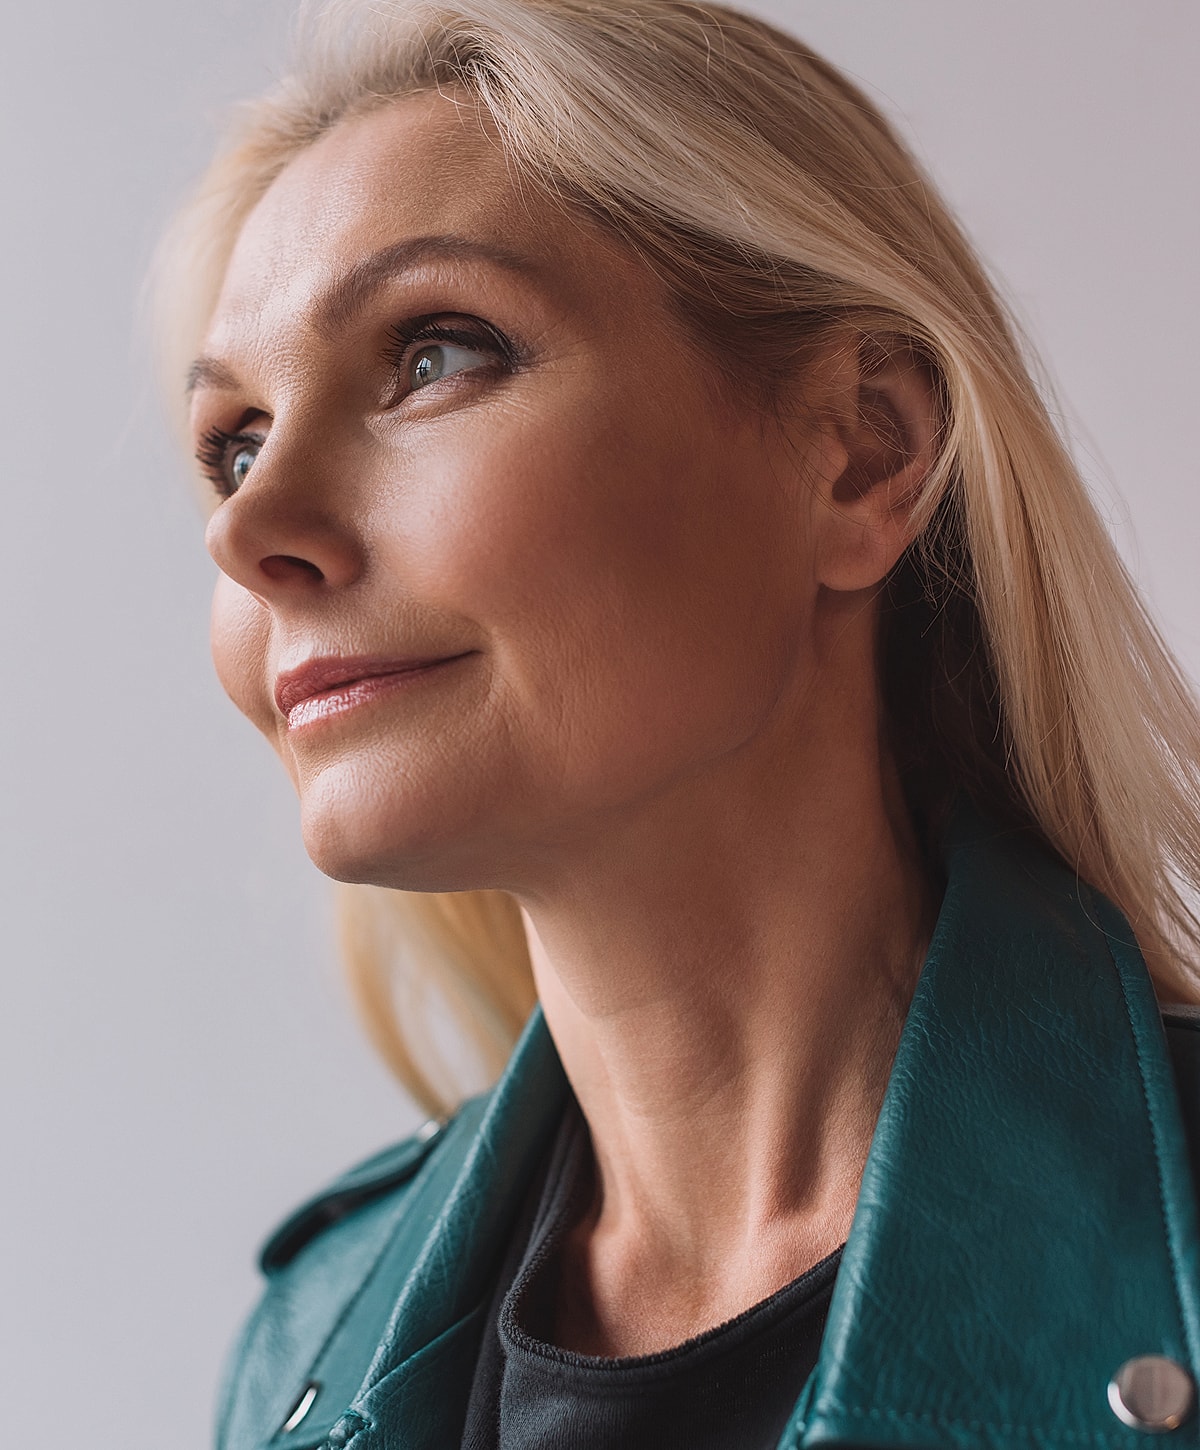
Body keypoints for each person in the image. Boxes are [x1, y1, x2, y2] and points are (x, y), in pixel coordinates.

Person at [154, 2, 1200, 1446]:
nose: (252, 529)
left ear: (863, 455)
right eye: (236, 443)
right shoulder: (298, 1350)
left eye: (434, 353)